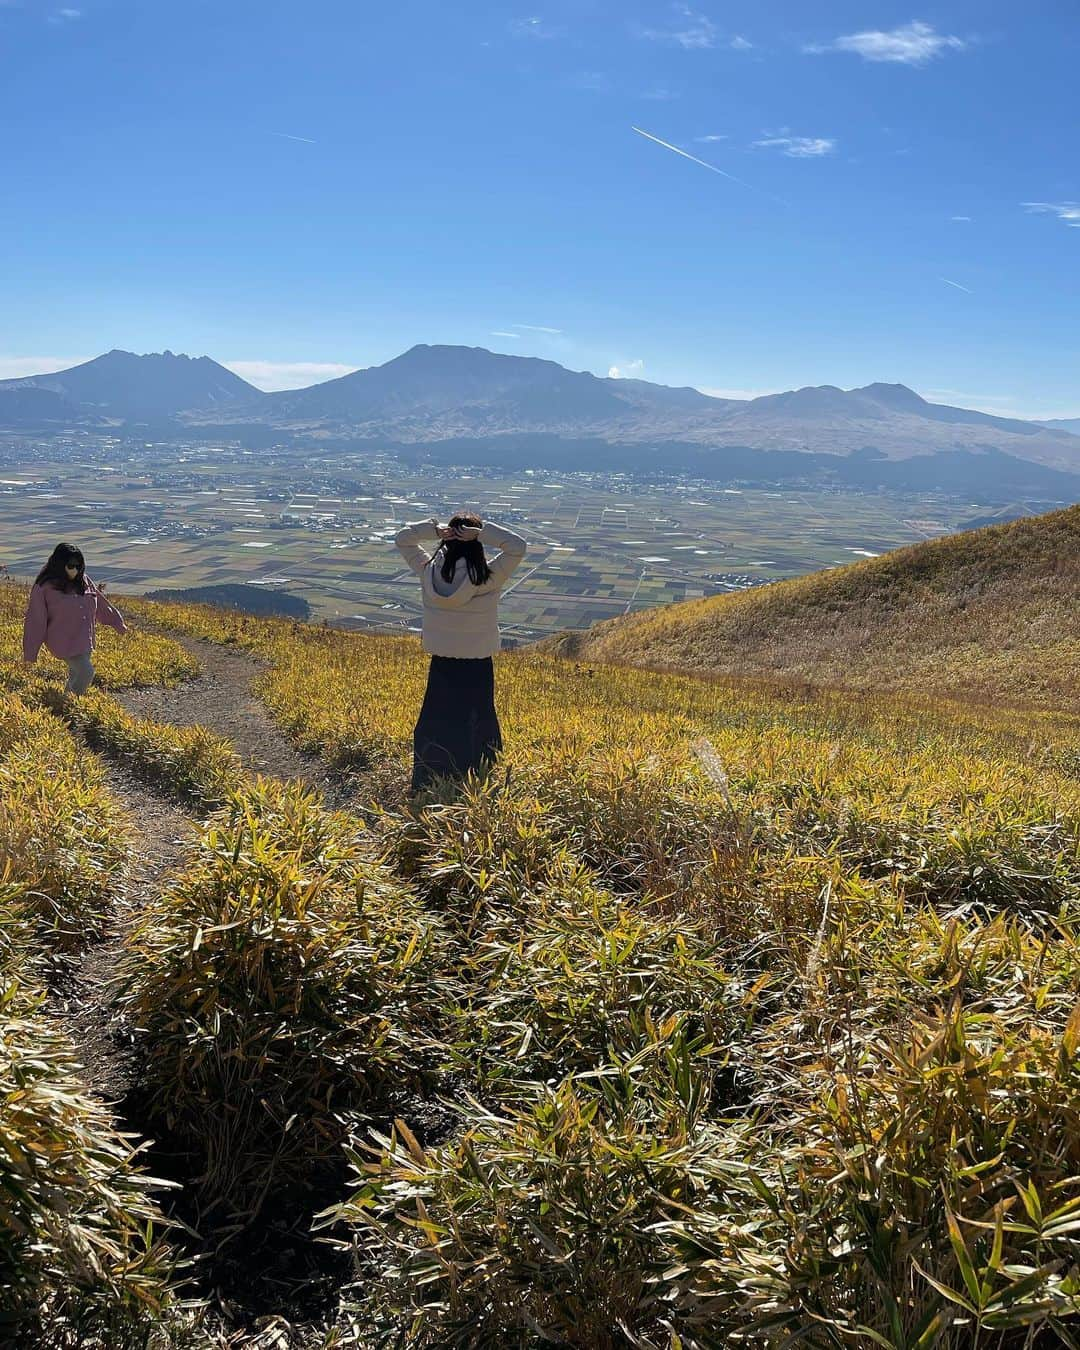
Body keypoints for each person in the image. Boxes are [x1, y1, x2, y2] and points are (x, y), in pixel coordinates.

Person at [395, 512, 526, 794]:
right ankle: (479, 775)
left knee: (438, 716)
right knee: (478, 716)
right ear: (474, 543)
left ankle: (431, 775)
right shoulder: (487, 577)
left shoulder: (428, 571)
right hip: (478, 660)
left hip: (442, 658)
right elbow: (518, 546)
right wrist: (481, 532)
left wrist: (433, 530)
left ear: (447, 541)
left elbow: (403, 539)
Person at [22, 542, 127, 694]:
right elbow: (35, 621)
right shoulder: (44, 587)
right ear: (60, 564)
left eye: (79, 566)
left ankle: (63, 706)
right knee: (86, 673)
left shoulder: (83, 580)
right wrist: (31, 653)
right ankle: (72, 705)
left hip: (84, 639)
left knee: (75, 675)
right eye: (71, 566)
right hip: (63, 641)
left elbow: (100, 602)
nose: (76, 570)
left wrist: (116, 622)